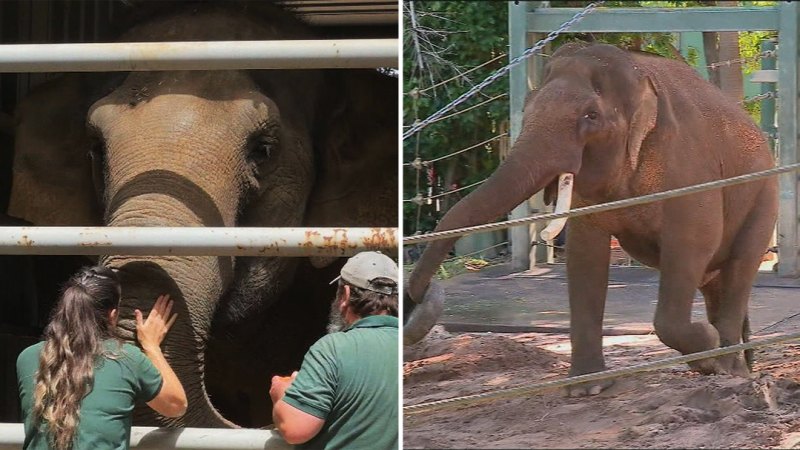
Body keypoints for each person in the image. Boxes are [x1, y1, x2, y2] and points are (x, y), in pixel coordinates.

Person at [16, 265, 187, 450]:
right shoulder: (126, 358)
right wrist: (152, 347)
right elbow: (176, 405)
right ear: (113, 315)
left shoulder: (27, 358)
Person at [270, 251, 399, 449]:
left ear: (345, 295)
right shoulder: (405, 346)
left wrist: (281, 392)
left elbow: (295, 429)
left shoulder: (332, 348)